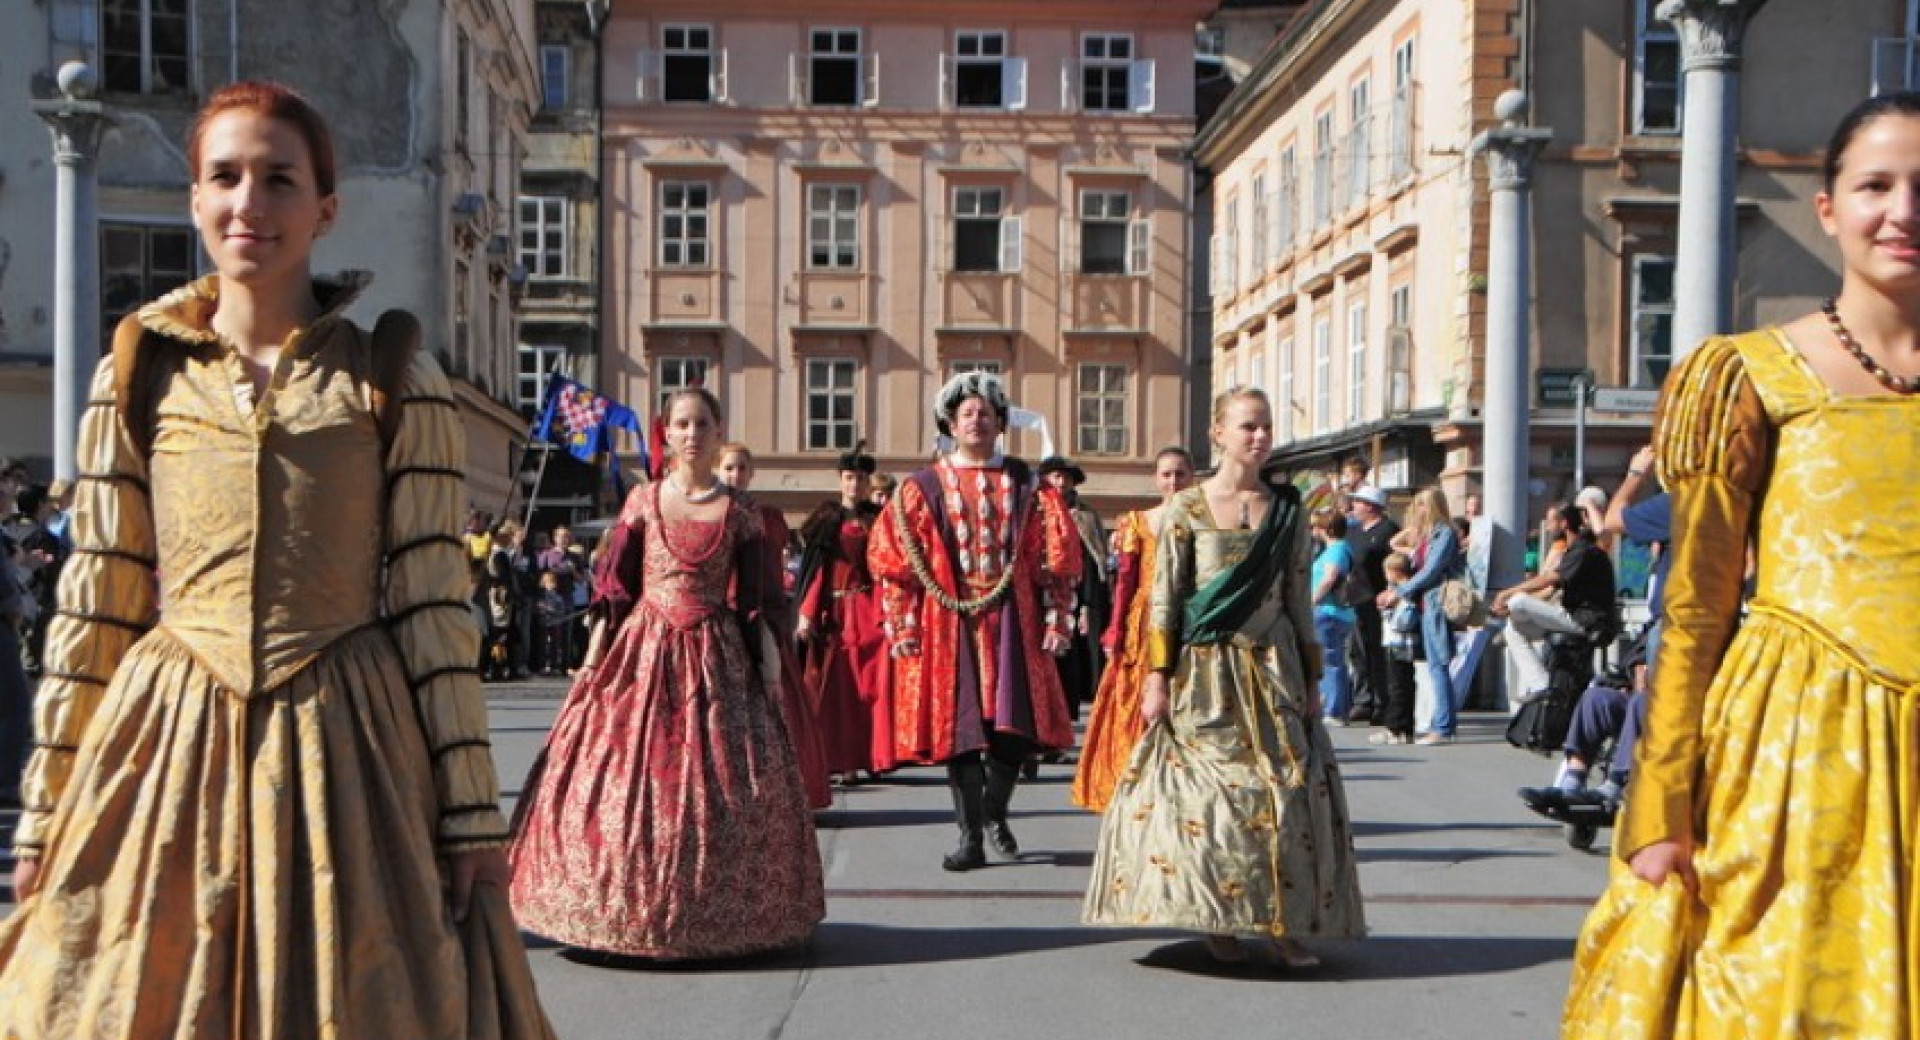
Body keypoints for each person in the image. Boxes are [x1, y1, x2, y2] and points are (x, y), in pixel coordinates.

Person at [0, 81, 552, 1036]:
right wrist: (48, 809)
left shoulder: (390, 372)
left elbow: (431, 604)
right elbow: (97, 606)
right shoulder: (138, 368)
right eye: (225, 177)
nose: (249, 202)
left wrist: (470, 814)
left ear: (324, 208)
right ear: (195, 201)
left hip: (348, 743)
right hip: (168, 741)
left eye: (278, 179)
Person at [1564, 92, 1920, 1038]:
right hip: (1804, 748)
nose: (1904, 211)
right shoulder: (1753, 374)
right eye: (1876, 185)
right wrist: (1658, 802)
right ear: (1830, 209)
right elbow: (1696, 610)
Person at [509, 390, 825, 958]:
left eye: (702, 423)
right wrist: (590, 663)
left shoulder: (742, 512)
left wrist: (772, 673)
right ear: (667, 432)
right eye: (682, 423)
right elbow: (615, 593)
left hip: (716, 651)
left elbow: (756, 602)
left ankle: (720, 914)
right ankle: (617, 908)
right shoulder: (642, 502)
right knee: (624, 776)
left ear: (716, 429)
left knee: (723, 780)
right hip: (643, 651)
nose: (692, 433)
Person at [1083, 387, 1364, 967]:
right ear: (1219, 434)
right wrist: (1156, 678)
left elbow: (1298, 600)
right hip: (1203, 671)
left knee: (1285, 791)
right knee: (1212, 800)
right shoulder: (1187, 509)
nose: (1259, 437)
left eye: (1264, 427)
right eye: (1247, 427)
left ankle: (1284, 923)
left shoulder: (1288, 510)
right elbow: (1166, 599)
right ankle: (1220, 918)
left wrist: (1313, 679)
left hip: (1273, 666)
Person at [867, 371, 1080, 872]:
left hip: (1014, 619)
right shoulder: (921, 487)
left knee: (1010, 731)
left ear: (1001, 422)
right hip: (949, 622)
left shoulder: (1029, 485)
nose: (977, 421)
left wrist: (1058, 617)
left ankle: (993, 811)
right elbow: (895, 560)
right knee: (960, 731)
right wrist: (902, 626)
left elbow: (1057, 558)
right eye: (968, 413)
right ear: (950, 422)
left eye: (986, 413)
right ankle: (970, 837)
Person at [1071, 446, 1195, 812]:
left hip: (1189, 619)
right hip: (1144, 622)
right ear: (1157, 479)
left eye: (1180, 474)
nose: (1173, 482)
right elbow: (1124, 581)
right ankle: (1134, 783)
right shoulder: (1139, 522)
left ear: (1192, 477)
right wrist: (1115, 630)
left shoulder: (1204, 520)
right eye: (1166, 474)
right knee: (1135, 700)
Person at [720, 441, 833, 809]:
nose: (735, 475)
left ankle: (786, 794)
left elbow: (770, 574)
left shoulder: (768, 516)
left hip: (763, 617)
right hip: (723, 619)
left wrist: (776, 621)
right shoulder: (710, 512)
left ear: (751, 473)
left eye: (740, 468)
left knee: (780, 708)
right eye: (728, 468)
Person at [795, 445, 894, 783]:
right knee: (838, 691)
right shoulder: (826, 519)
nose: (855, 485)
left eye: (862, 478)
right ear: (840, 480)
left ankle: (874, 755)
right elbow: (817, 570)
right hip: (835, 613)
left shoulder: (878, 520)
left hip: (870, 609)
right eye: (850, 478)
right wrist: (807, 612)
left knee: (872, 686)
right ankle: (841, 760)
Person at [1490, 503, 1617, 706]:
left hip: (1586, 621)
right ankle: (1541, 684)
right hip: (1573, 616)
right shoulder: (1574, 550)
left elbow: (1550, 578)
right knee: (1512, 629)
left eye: (1551, 521)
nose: (1547, 527)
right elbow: (1551, 590)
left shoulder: (1582, 550)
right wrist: (1511, 610)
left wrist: (1508, 594)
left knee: (1519, 600)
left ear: (1564, 523)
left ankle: (1545, 686)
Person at [1375, 486, 1463, 745]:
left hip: (1435, 604)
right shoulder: (1428, 535)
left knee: (1439, 665)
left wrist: (1400, 591)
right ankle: (1442, 723)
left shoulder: (1444, 533)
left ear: (1435, 507)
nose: (1419, 510)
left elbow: (1432, 570)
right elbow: (1398, 544)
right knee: (1433, 665)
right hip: (1425, 604)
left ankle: (1443, 727)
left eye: (1423, 505)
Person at [1040, 455, 1110, 723]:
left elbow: (1096, 560)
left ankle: (1067, 719)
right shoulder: (1035, 511)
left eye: (1066, 477)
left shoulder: (1086, 515)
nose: (1061, 482)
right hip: (1045, 593)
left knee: (1077, 659)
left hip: (1081, 592)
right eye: (1056, 476)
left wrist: (1088, 604)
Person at [1342, 484, 1399, 725]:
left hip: (1377, 598)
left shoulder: (1388, 530)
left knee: (1378, 652)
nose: (1353, 506)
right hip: (1355, 598)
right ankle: (1362, 700)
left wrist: (1392, 590)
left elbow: (1398, 562)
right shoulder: (1353, 532)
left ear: (1370, 506)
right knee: (1358, 651)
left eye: (1358, 502)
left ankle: (1381, 702)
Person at [1309, 507, 1358, 726]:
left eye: (1316, 526)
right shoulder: (1337, 548)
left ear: (1326, 529)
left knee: (1331, 661)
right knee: (1331, 660)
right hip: (1333, 612)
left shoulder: (1336, 550)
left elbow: (1329, 578)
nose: (1313, 531)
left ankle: (1335, 709)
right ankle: (1332, 705)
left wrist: (1312, 599)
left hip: (1330, 611)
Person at [1368, 551, 1421, 745]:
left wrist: (1388, 609)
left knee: (1398, 686)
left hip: (1400, 642)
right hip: (1396, 641)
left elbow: (1404, 620)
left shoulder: (1405, 592)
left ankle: (1396, 728)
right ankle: (1404, 728)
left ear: (1396, 572)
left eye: (1387, 573)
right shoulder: (1398, 590)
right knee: (1402, 685)